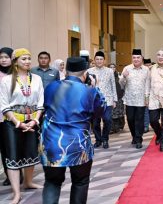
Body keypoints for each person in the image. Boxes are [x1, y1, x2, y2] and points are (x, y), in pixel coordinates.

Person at [40, 57, 107, 204]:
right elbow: (100, 111)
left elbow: (45, 107)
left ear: (66, 71)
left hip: (52, 142)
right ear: (85, 74)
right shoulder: (89, 91)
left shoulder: (51, 87)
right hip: (78, 144)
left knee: (52, 182)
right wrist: (95, 87)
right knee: (80, 182)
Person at [0, 48, 44, 204]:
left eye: (29, 59)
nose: (27, 62)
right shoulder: (6, 80)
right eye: (23, 59)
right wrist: (17, 123)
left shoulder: (37, 79)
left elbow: (40, 103)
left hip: (32, 121)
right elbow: (4, 105)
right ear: (16, 61)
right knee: (13, 156)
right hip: (12, 123)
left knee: (31, 153)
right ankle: (16, 193)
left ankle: (28, 182)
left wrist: (35, 120)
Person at [120, 49, 150, 149]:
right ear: (131, 58)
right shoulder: (127, 68)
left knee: (139, 120)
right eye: (134, 57)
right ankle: (134, 136)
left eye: (138, 57)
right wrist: (123, 77)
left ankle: (139, 139)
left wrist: (147, 97)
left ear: (141, 58)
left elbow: (147, 84)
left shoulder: (146, 70)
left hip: (141, 100)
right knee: (130, 119)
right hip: (129, 99)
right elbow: (121, 85)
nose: (136, 59)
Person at [88, 51, 117, 149]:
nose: (99, 61)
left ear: (104, 60)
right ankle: (98, 139)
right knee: (95, 122)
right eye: (97, 59)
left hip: (107, 100)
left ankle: (105, 139)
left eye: (101, 59)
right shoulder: (89, 71)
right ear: (94, 60)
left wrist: (114, 100)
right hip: (94, 101)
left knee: (107, 120)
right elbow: (87, 86)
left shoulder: (109, 71)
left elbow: (113, 85)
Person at [0, 47, 13, 186]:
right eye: (1, 57)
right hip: (0, 116)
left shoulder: (17, 73)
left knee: (14, 146)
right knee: (4, 147)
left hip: (15, 116)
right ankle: (9, 175)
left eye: (6, 57)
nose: (3, 60)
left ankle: (18, 171)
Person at [109, 63, 125, 133]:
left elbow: (123, 84)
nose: (112, 68)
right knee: (112, 113)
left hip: (119, 96)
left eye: (113, 67)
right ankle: (112, 128)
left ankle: (120, 125)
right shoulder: (107, 75)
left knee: (119, 112)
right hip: (111, 96)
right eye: (110, 67)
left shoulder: (119, 75)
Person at [143, 58, 152, 133]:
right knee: (146, 110)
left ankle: (152, 123)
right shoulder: (142, 71)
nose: (148, 66)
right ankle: (146, 126)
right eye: (146, 65)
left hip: (153, 94)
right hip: (145, 94)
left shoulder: (154, 71)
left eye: (149, 65)